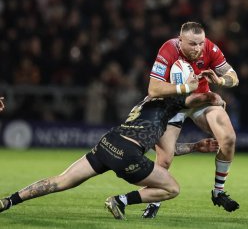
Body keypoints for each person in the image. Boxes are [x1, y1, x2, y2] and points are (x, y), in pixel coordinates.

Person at [0, 83, 226, 219]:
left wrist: (195, 147)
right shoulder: (168, 102)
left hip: (109, 143)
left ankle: (9, 201)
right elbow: (204, 97)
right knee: (172, 189)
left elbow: (169, 149)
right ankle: (120, 201)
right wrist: (217, 98)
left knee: (62, 180)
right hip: (127, 153)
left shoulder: (144, 107)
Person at [143, 21, 240, 218]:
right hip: (173, 104)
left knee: (228, 138)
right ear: (180, 41)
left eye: (200, 43)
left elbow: (234, 77)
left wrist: (220, 81)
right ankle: (153, 202)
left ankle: (218, 192)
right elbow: (153, 89)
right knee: (165, 158)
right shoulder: (168, 49)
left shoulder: (210, 48)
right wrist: (183, 89)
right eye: (192, 44)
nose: (198, 48)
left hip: (201, 100)